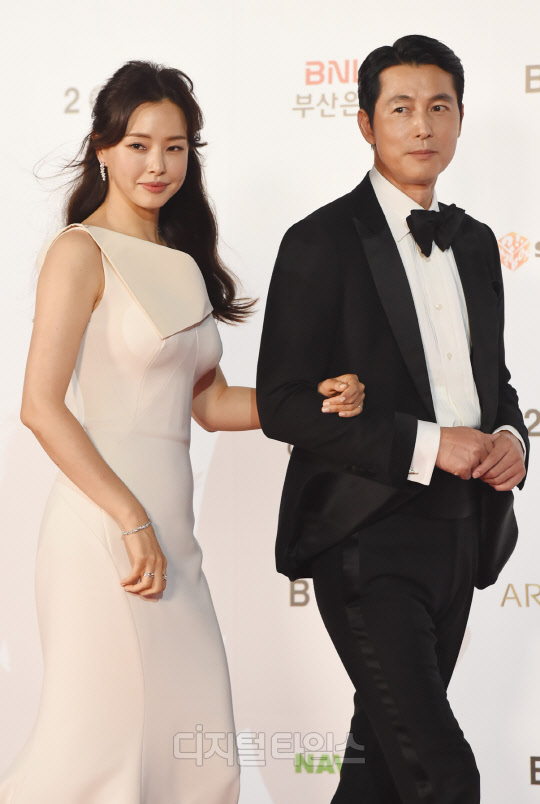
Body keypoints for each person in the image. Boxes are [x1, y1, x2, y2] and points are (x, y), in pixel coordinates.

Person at [0, 61, 365, 804]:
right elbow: (40, 406)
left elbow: (212, 403)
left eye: (175, 147)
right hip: (105, 534)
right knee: (94, 758)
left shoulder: (184, 264)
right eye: (138, 145)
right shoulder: (80, 253)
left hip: (173, 539)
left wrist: (313, 400)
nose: (158, 164)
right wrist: (129, 518)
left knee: (200, 763)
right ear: (102, 147)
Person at [257, 35, 528, 804]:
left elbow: (492, 384)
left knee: (379, 769)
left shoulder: (474, 245)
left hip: (463, 532)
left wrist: (511, 439)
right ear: (366, 124)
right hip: (366, 535)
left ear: (461, 119)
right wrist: (431, 443)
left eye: (438, 107)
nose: (421, 125)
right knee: (443, 775)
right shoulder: (319, 242)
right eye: (401, 108)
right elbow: (281, 403)